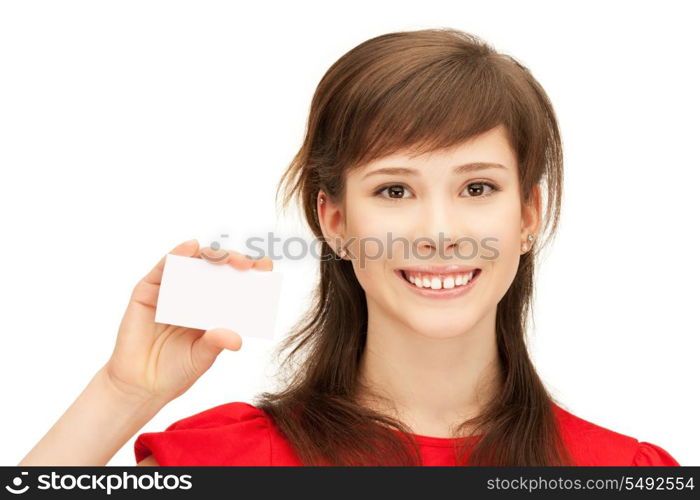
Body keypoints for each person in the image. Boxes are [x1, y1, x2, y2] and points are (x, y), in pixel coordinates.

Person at [19, 28, 680, 467]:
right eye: (394, 191)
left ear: (529, 215)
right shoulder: (219, 459)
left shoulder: (624, 470)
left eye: (478, 187)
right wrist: (120, 394)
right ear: (333, 219)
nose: (440, 230)